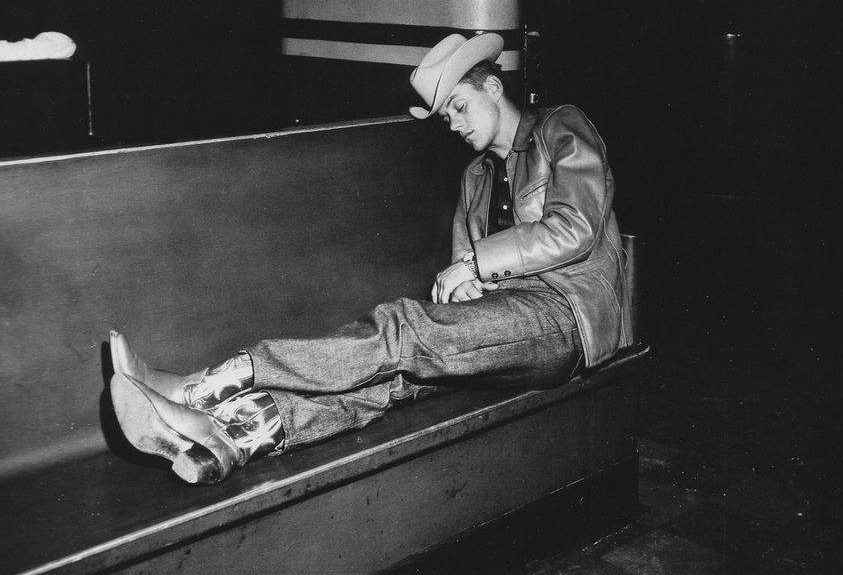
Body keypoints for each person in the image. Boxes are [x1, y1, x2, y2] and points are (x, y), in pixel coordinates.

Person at [109, 32, 632, 485]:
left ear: (492, 87)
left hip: (566, 317)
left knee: (401, 329)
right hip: (505, 328)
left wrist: (474, 265)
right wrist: (467, 279)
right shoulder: (475, 178)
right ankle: (229, 437)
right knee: (391, 381)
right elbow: (463, 276)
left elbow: (576, 228)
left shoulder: (562, 128)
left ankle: (201, 386)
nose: (452, 124)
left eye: (458, 106)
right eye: (444, 114)